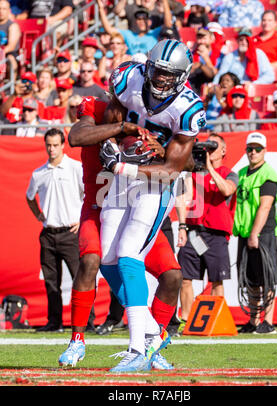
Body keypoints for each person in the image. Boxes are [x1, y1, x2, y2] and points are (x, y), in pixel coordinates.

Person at [98, 39, 206, 372]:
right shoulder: (128, 78)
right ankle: (152, 337)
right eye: (157, 72)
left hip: (155, 184)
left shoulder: (189, 109)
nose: (160, 81)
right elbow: (111, 121)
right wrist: (111, 145)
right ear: (148, 66)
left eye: (168, 75)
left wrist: (121, 166)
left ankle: (137, 349)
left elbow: (173, 169)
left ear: (183, 76)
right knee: (106, 259)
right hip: (122, 174)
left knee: (130, 252)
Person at [58, 91, 183, 370]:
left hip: (136, 205)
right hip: (99, 204)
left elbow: (182, 159)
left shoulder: (155, 114)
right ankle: (77, 339)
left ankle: (151, 343)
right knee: (93, 260)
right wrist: (120, 128)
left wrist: (164, 151)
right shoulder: (100, 106)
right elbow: (76, 137)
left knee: (172, 275)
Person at [26, 128, 95, 332]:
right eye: (48, 145)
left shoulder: (75, 167)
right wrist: (38, 214)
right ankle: (54, 322)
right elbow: (29, 196)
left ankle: (87, 322)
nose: (52, 149)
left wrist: (82, 220)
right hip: (48, 233)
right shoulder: (39, 173)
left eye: (55, 145)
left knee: (81, 277)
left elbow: (89, 194)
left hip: (71, 233)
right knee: (51, 281)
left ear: (63, 145)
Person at [176, 133, 238, 332]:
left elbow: (227, 190)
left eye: (214, 146)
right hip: (194, 232)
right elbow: (184, 199)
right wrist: (182, 227)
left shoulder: (229, 172)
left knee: (216, 278)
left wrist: (209, 167)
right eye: (207, 147)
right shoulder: (192, 174)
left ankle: (214, 319)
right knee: (185, 277)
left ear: (223, 150)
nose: (209, 150)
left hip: (216, 233)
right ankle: (185, 319)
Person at [233, 132, 277, 334]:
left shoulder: (268, 174)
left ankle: (269, 322)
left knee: (266, 277)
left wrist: (255, 233)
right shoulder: (241, 173)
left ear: (265, 151)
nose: (253, 152)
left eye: (257, 149)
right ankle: (254, 321)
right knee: (250, 278)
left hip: (262, 233)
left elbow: (265, 207)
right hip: (246, 232)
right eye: (250, 148)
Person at [97, 0, 173, 57]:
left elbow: (168, 24)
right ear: (136, 22)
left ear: (149, 22)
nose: (142, 21)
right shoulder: (129, 34)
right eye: (139, 19)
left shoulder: (153, 34)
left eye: (144, 19)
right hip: (132, 69)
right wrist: (100, 8)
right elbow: (108, 29)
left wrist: (164, 1)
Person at [189, 26, 223, 94]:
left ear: (211, 39)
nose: (201, 41)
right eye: (199, 38)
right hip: (195, 85)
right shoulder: (191, 54)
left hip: (211, 86)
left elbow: (217, 75)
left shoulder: (219, 55)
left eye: (204, 38)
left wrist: (206, 57)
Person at [0, 0, 21, 76]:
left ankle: (11, 85)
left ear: (9, 11)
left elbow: (11, 47)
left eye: (4, 9)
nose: (1, 11)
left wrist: (1, 52)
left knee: (11, 59)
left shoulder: (12, 26)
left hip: (8, 54)